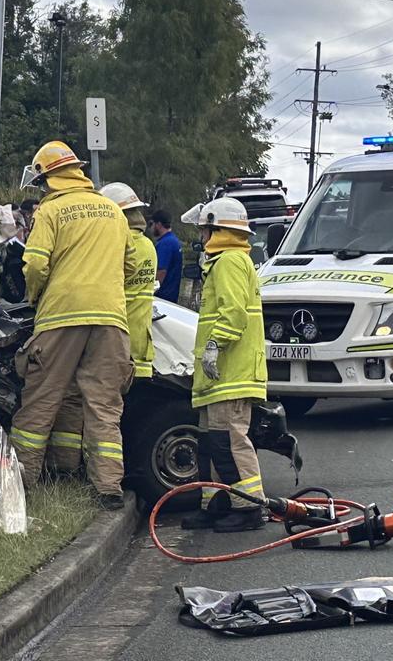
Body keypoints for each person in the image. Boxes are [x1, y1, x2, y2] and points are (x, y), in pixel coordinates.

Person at [11, 141, 136, 511]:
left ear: (47, 176)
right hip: (111, 319)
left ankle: (22, 478)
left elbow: (34, 265)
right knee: (103, 404)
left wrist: (36, 296)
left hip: (61, 315)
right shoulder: (113, 211)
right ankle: (108, 487)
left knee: (42, 398)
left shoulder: (50, 211)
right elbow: (129, 268)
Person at [44, 182, 157, 476]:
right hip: (133, 340)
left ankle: (68, 469)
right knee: (109, 411)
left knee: (83, 404)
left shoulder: (117, 242)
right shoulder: (147, 246)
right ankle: (109, 475)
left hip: (106, 337)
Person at [178, 197, 267, 533]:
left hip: (231, 371)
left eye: (203, 229)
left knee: (230, 441)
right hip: (219, 376)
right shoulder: (225, 261)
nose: (200, 236)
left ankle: (249, 509)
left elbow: (233, 314)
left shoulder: (229, 262)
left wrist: (215, 346)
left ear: (216, 228)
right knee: (212, 443)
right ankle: (216, 504)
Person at [150, 210, 183, 303]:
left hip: (163, 297)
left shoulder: (165, 243)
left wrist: (152, 292)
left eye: (152, 224)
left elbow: (161, 271)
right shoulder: (174, 241)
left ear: (159, 224)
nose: (151, 228)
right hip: (172, 296)